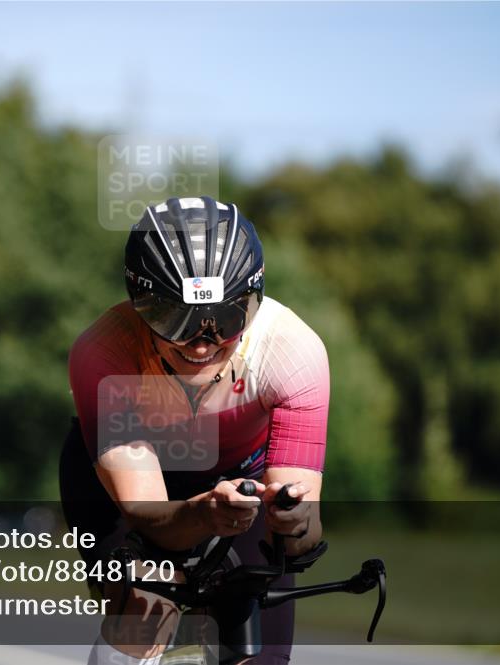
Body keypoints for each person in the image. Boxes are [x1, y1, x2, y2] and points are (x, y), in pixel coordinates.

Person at [60, 197, 330, 665]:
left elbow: (304, 532)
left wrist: (294, 521)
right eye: (176, 320)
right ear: (139, 303)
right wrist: (203, 516)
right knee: (144, 611)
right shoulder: (103, 355)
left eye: (225, 319)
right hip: (128, 489)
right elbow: (147, 515)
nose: (201, 343)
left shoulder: (292, 352)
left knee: (256, 651)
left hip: (243, 474)